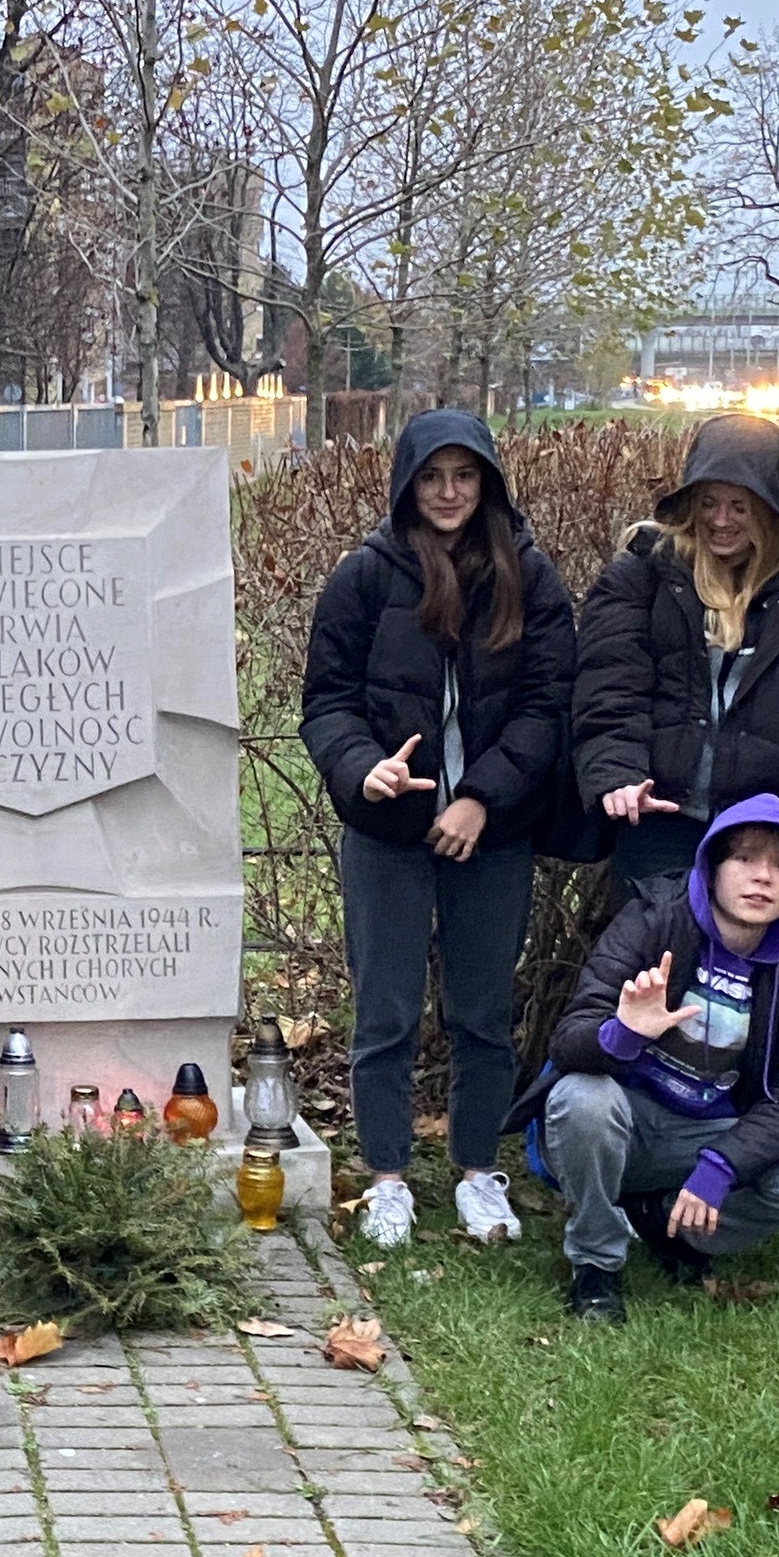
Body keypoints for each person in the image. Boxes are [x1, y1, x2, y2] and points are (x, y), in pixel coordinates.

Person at [300, 409, 578, 1252]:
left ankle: (476, 1171)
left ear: (487, 482)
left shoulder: (528, 575)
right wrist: (363, 769)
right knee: (384, 1011)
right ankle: (386, 1176)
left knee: (482, 1014)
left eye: (464, 476)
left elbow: (548, 704)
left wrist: (482, 797)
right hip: (385, 831)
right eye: (431, 476)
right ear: (407, 484)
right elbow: (328, 700)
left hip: (491, 833)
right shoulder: (365, 575)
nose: (449, 492)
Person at [527, 798, 779, 1327]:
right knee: (582, 1097)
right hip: (622, 1122)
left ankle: (667, 1223)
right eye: (745, 859)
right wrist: (624, 1033)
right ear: (712, 866)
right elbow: (569, 1041)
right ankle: (595, 1264)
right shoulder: (654, 917)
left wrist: (722, 1165)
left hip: (705, 1134)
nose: (763, 877)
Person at [573, 413, 779, 880]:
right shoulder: (642, 573)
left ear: (768, 507)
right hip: (659, 812)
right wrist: (618, 773)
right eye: (708, 503)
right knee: (657, 929)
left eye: (739, 506)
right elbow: (609, 683)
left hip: (768, 816)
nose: (720, 520)